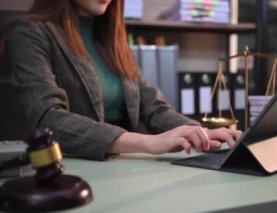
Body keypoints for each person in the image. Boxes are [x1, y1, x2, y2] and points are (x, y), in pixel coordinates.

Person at [2, 0, 241, 160]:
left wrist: (198, 132)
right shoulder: (29, 32)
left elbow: (154, 107)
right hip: (71, 170)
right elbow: (48, 119)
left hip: (124, 168)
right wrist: (148, 143)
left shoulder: (109, 36)